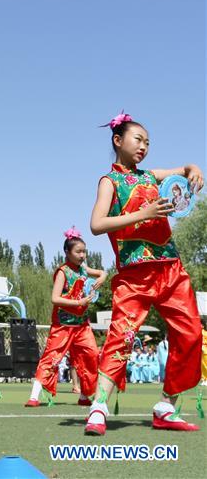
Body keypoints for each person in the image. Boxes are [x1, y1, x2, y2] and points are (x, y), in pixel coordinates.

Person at [82, 111, 203, 436]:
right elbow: (96, 224)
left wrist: (193, 169)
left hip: (171, 269)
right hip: (135, 275)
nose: (144, 147)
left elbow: (184, 169)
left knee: (191, 334)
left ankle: (166, 406)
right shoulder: (110, 181)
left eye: (148, 142)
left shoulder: (151, 175)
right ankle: (98, 408)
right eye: (138, 139)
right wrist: (143, 213)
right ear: (118, 141)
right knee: (121, 336)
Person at [26, 227, 105, 407]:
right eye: (78, 252)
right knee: (52, 357)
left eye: (84, 251)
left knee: (91, 356)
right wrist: (79, 303)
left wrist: (103, 277)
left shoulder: (84, 269)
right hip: (63, 324)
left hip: (82, 326)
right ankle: (34, 396)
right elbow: (55, 298)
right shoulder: (63, 272)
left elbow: (101, 273)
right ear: (67, 252)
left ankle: (84, 396)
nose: (82, 255)